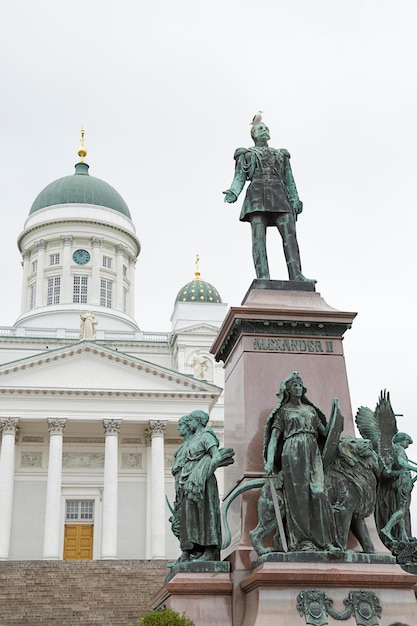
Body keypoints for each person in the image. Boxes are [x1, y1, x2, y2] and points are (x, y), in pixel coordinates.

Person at [223, 121, 315, 283]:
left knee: (290, 236)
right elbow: (239, 177)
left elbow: (289, 179)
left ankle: (297, 275)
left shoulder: (281, 155)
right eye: (260, 129)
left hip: (280, 195)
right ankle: (263, 277)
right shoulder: (246, 155)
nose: (264, 130)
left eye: (266, 128)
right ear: (253, 135)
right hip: (257, 196)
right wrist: (233, 192)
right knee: (259, 239)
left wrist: (295, 199)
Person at [264, 371, 338, 551]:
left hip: (313, 451)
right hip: (292, 451)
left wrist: (336, 413)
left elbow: (325, 433)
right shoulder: (284, 411)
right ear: (288, 390)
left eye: (300, 385)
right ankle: (303, 541)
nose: (298, 388)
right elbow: (274, 438)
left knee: (319, 492)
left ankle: (325, 540)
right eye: (294, 385)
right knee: (299, 498)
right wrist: (269, 460)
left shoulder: (311, 410)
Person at [178, 410, 222, 562]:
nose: (189, 423)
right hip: (190, 482)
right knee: (189, 516)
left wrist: (202, 474)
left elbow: (216, 457)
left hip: (203, 482)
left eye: (191, 421)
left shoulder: (207, 436)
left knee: (205, 515)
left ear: (198, 420)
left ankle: (209, 550)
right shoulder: (192, 439)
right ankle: (191, 550)